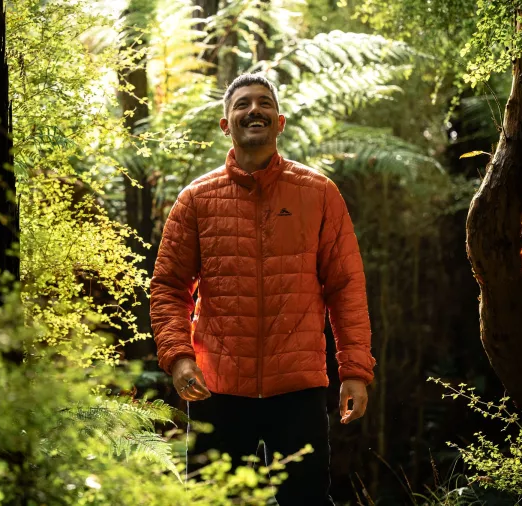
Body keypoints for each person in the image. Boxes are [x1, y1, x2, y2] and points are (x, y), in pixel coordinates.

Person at [149, 73, 376, 505]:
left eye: (264, 103)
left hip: (299, 390)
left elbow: (346, 287)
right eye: (242, 104)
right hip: (217, 388)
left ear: (280, 121)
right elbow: (169, 286)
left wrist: (354, 371)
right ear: (226, 124)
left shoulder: (319, 193)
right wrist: (179, 358)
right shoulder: (196, 199)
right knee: (213, 501)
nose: (254, 110)